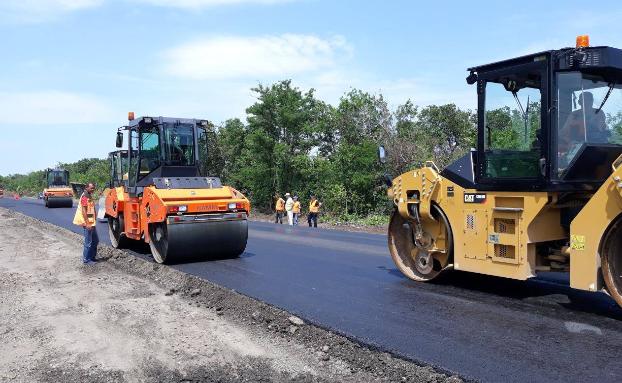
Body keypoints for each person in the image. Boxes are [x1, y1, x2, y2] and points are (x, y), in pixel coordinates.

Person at [73, 183, 98, 264]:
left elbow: (90, 209)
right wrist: (87, 223)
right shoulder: (84, 197)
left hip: (91, 222)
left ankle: (92, 257)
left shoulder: (89, 195)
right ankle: (86, 260)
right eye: (91, 188)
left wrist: (95, 215)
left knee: (95, 240)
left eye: (94, 188)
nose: (93, 189)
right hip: (87, 223)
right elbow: (84, 211)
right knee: (88, 242)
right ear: (86, 188)